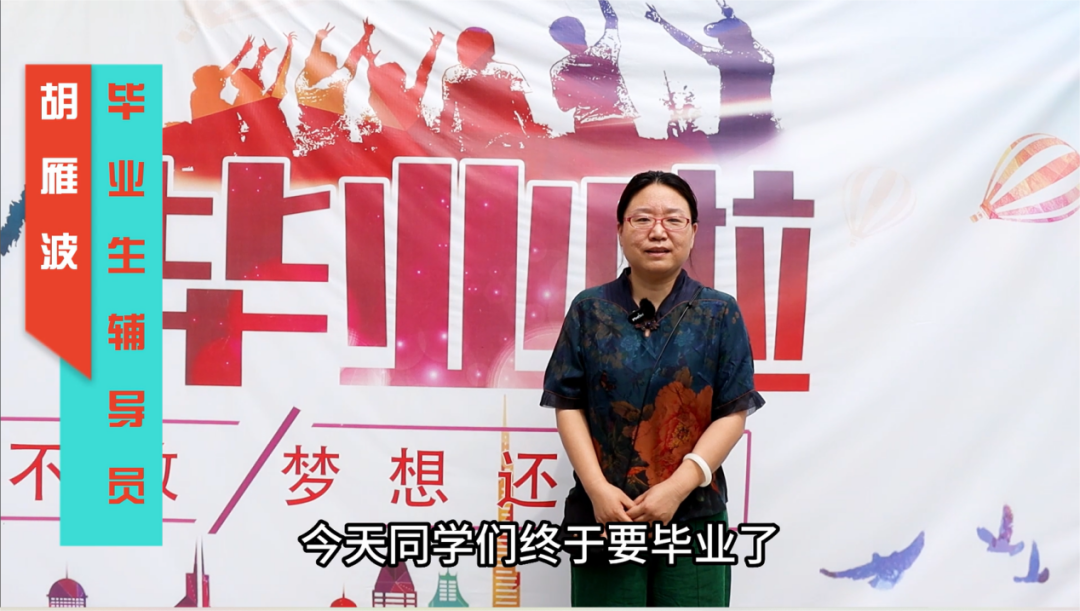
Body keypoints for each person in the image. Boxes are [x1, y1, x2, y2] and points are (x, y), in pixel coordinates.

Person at [541, 171, 764, 607]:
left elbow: (732, 413)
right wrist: (597, 489)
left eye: (673, 220)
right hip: (608, 515)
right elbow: (568, 404)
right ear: (621, 229)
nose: (657, 232)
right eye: (642, 219)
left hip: (694, 514)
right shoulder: (590, 310)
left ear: (693, 231)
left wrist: (678, 487)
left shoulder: (719, 312)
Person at [645, 3, 777, 138]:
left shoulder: (727, 58)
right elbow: (750, 39)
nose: (720, 42)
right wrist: (733, 18)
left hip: (734, 126)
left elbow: (691, 44)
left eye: (722, 38)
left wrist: (662, 22)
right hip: (764, 124)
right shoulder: (765, 58)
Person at [438, 27, 548, 152]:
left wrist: (530, 137)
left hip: (506, 139)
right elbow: (448, 111)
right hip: (468, 139)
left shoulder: (506, 72)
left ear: (489, 52)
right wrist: (445, 140)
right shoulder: (453, 74)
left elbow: (523, 109)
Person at [548, 0, 639, 139]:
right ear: (583, 32)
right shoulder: (606, 50)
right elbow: (612, 19)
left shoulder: (560, 69)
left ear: (559, 42)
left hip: (587, 125)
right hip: (621, 120)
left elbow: (564, 106)